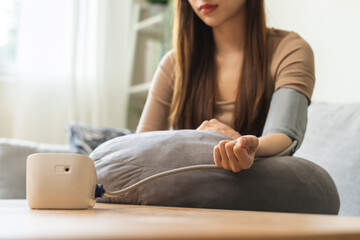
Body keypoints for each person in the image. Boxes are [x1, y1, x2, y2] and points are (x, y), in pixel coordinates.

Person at [136, 0, 315, 173]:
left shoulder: (290, 50)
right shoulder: (173, 64)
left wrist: (244, 146)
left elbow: (284, 135)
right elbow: (138, 150)